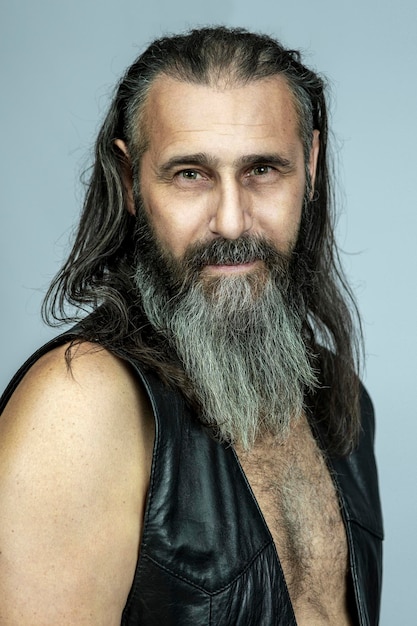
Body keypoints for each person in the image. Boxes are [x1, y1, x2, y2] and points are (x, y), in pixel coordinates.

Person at [0, 26, 383, 625]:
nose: (231, 222)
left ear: (309, 164)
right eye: (190, 174)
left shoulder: (339, 399)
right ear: (130, 181)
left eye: (262, 170)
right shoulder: (82, 405)